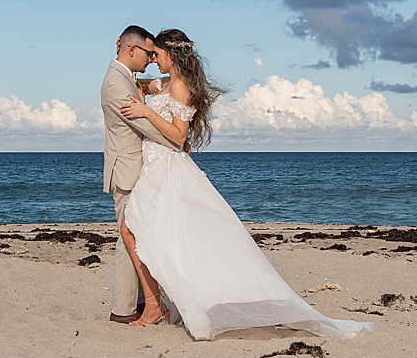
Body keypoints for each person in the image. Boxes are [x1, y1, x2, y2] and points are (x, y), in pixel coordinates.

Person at [118, 28, 373, 341]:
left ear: (172, 54)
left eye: (157, 54)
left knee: (134, 229)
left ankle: (156, 307)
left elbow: (179, 136)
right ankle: (163, 303)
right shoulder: (166, 83)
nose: (154, 60)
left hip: (166, 168)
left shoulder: (181, 85)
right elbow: (140, 84)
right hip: (154, 166)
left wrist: (145, 111)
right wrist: (124, 67)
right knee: (150, 233)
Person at [101, 25, 182, 324]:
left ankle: (138, 302)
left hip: (139, 166)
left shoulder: (127, 78)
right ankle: (123, 309)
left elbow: (154, 86)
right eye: (148, 53)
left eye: (155, 55)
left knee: (136, 235)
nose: (150, 59)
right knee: (128, 235)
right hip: (127, 168)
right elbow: (143, 125)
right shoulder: (115, 83)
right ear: (132, 50)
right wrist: (175, 139)